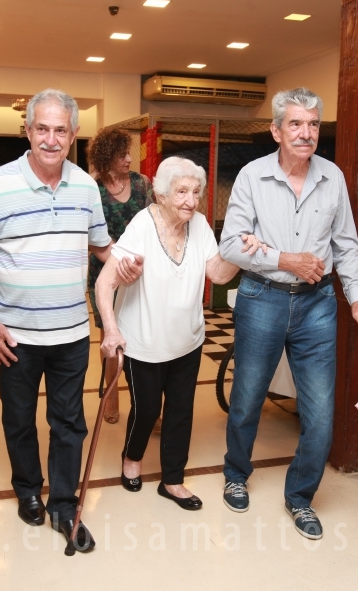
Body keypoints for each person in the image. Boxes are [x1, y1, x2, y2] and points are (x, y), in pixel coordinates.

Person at [0, 88, 130, 553]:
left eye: (61, 130)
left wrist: (125, 262)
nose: (51, 139)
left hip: (72, 332)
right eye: (42, 128)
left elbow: (102, 245)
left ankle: (62, 504)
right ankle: (26, 491)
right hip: (15, 335)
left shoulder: (85, 187)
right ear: (28, 131)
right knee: (18, 419)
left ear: (74, 133)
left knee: (68, 423)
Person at [218, 87, 358, 539]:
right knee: (248, 396)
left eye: (312, 124)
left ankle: (301, 497)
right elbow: (231, 244)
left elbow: (346, 245)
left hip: (317, 306)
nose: (305, 133)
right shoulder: (252, 177)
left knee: (320, 412)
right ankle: (236, 471)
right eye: (295, 124)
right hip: (261, 298)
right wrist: (285, 259)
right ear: (276, 130)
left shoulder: (333, 178)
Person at [97, 157, 265, 510]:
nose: (191, 200)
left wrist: (241, 252)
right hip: (143, 340)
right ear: (161, 194)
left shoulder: (200, 225)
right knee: (146, 410)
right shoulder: (143, 225)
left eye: (196, 192)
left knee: (180, 411)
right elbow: (104, 282)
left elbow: (217, 274)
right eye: (182, 192)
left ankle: (172, 480)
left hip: (187, 339)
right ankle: (132, 458)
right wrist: (111, 330)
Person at [85, 128, 154, 425]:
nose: (128, 159)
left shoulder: (142, 184)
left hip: (140, 274)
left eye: (129, 153)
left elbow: (156, 221)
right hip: (106, 273)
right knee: (111, 341)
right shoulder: (93, 190)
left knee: (144, 338)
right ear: (105, 157)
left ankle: (147, 405)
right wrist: (118, 260)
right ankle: (110, 398)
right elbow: (89, 236)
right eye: (121, 155)